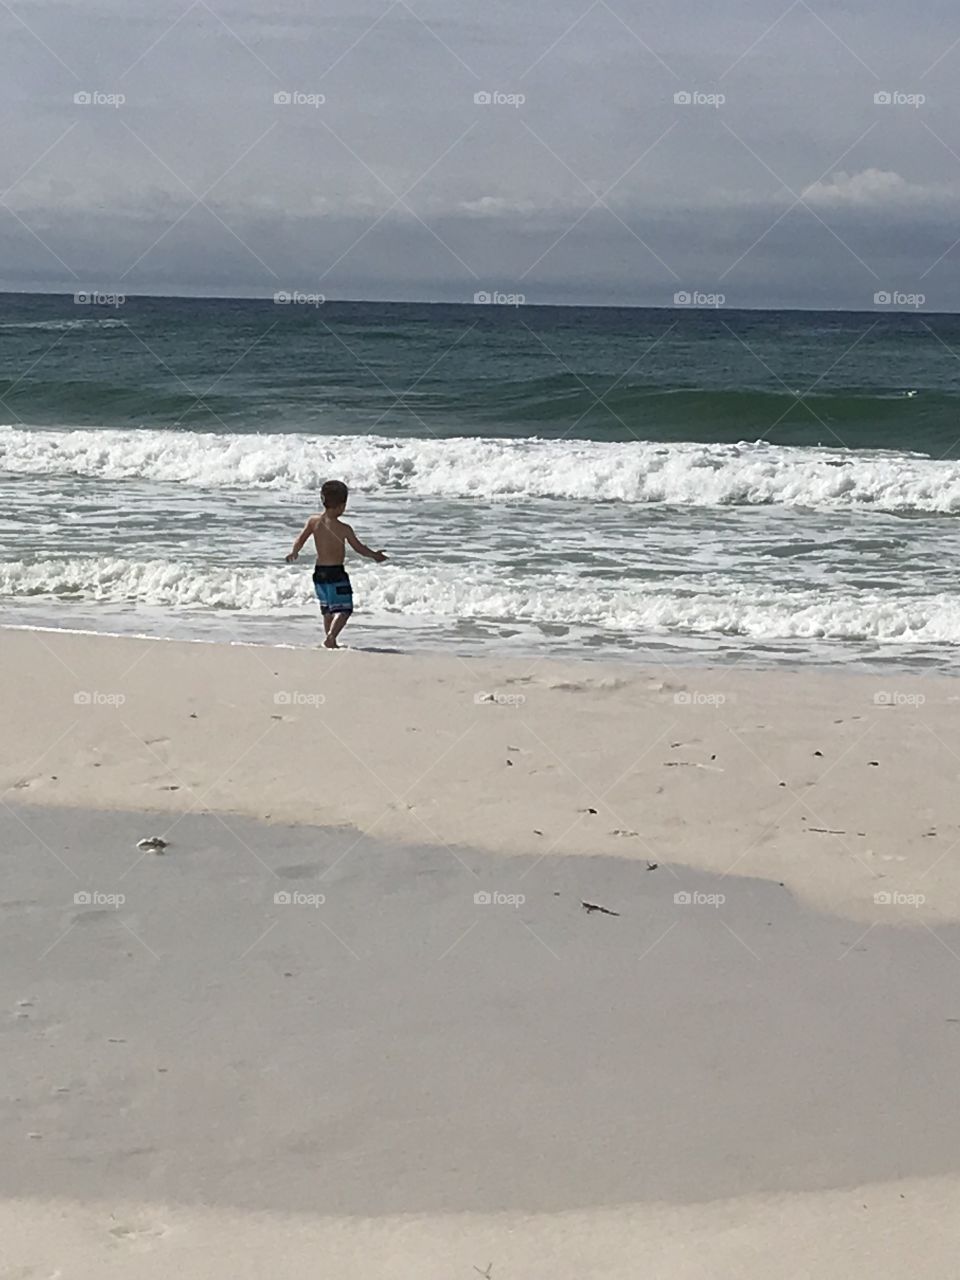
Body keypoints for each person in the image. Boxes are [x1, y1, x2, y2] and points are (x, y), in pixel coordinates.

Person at [286, 480, 387, 648]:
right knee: (345, 609)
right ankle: (332, 636)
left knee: (328, 610)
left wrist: (294, 551)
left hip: (319, 573)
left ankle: (330, 640)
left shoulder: (313, 521)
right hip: (336, 573)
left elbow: (301, 538)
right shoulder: (344, 528)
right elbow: (359, 548)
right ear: (341, 506)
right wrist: (375, 556)